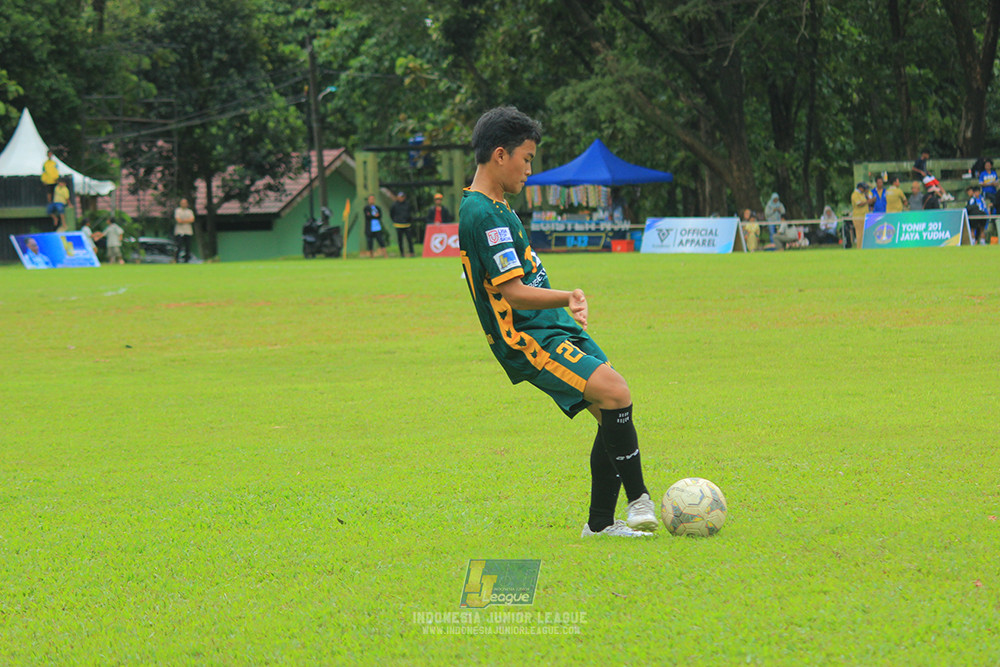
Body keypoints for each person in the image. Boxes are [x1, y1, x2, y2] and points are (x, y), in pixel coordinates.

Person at [458, 106, 658, 538]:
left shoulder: (497, 207)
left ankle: (601, 526)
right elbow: (511, 291)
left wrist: (564, 307)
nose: (530, 169)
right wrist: (568, 295)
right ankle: (640, 499)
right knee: (617, 391)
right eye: (527, 159)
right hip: (528, 337)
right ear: (499, 155)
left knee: (611, 411)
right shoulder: (482, 214)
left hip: (553, 326)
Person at [390, 191, 415, 257]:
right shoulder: (394, 205)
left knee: (409, 239)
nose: (401, 198)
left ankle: (411, 252)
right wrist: (395, 220)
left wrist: (409, 220)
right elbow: (391, 214)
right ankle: (402, 253)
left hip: (407, 225)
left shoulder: (407, 204)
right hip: (398, 225)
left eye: (402, 197)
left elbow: (410, 213)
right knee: (400, 240)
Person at [363, 194, 388, 258]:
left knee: (381, 241)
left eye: (372, 199)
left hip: (377, 228)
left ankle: (385, 255)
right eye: (370, 199)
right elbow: (368, 216)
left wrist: (374, 216)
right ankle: (371, 255)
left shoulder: (377, 208)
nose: (371, 200)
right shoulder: (366, 208)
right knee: (370, 242)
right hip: (369, 228)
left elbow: (379, 216)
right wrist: (374, 216)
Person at [173, 198, 195, 263]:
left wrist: (183, 220)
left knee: (188, 246)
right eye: (182, 203)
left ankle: (186, 260)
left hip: (188, 231)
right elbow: (178, 220)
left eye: (185, 203)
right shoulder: (178, 211)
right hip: (179, 231)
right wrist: (187, 220)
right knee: (179, 246)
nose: (184, 204)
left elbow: (192, 220)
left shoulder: (189, 211)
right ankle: (176, 260)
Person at [849, 182, 869, 248]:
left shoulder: (862, 194)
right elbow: (859, 204)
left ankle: (864, 247)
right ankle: (859, 247)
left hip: (864, 216)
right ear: (860, 188)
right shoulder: (855, 194)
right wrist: (867, 202)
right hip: (858, 217)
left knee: (864, 233)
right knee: (859, 234)